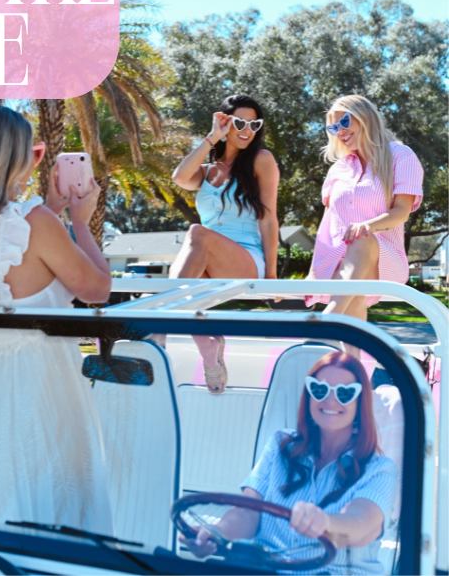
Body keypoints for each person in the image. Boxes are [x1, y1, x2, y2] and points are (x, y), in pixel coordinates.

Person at [0, 103, 113, 534]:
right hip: (44, 379)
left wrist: (50, 210)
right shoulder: (37, 222)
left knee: (0, 497)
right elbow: (98, 290)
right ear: (12, 158)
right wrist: (80, 223)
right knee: (55, 503)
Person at [190, 351, 397, 575]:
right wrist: (215, 532)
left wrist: (324, 522)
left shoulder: (380, 470)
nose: (330, 399)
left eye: (345, 393)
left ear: (360, 403)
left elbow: (360, 524)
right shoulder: (280, 446)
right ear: (308, 396)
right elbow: (246, 512)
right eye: (319, 389)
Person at [169, 95, 280, 392]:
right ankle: (208, 348)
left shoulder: (261, 160)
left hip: (246, 260)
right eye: (240, 122)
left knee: (196, 233)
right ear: (226, 122)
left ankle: (160, 332)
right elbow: (179, 177)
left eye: (254, 124)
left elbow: (269, 220)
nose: (248, 130)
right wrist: (212, 137)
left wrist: (271, 276)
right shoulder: (206, 171)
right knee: (177, 280)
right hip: (208, 262)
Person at [309, 97, 423, 339]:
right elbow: (328, 224)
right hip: (341, 260)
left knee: (362, 237)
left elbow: (402, 211)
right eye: (333, 127)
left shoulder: (400, 155)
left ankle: (328, 320)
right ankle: (354, 370)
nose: (340, 130)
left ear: (365, 116)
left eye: (345, 120)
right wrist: (313, 270)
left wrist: (367, 225)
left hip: (383, 260)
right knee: (353, 312)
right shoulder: (338, 169)